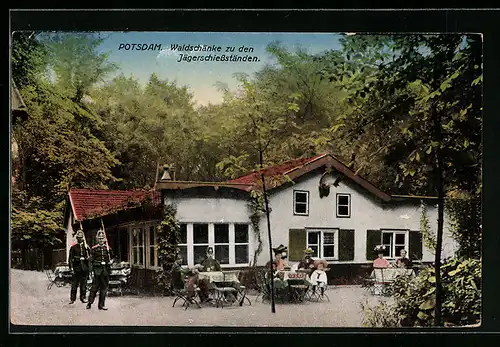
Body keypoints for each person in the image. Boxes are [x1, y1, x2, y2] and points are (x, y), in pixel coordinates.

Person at [87, 230, 113, 310]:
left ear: (105, 239)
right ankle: (90, 302)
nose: (101, 240)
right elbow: (90, 261)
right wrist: (91, 271)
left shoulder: (108, 249)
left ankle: (101, 305)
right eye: (100, 238)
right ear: (97, 239)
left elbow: (112, 258)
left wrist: (111, 261)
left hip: (105, 271)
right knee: (94, 288)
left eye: (102, 238)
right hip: (97, 270)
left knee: (104, 288)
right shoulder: (94, 249)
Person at [68, 230, 90, 304]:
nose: (79, 239)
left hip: (84, 268)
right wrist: (71, 268)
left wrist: (87, 259)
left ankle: (83, 298)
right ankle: (72, 299)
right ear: (77, 238)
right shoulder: (73, 247)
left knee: (84, 285)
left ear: (83, 238)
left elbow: (89, 258)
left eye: (81, 237)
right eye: (78, 237)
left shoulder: (86, 247)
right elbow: (70, 258)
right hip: (76, 268)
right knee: (74, 285)